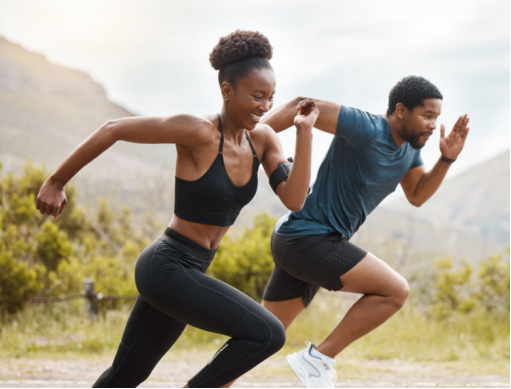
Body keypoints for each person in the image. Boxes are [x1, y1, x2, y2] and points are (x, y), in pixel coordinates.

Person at [36, 30, 319, 388]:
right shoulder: (197, 132)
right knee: (268, 333)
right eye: (257, 96)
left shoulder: (261, 139)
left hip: (191, 269)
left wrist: (304, 133)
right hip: (166, 265)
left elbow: (294, 199)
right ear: (227, 91)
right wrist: (57, 181)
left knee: (126, 376)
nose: (264, 106)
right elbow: (113, 129)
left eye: (271, 98)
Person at [258, 76, 470, 388]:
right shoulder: (366, 127)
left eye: (436, 118)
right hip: (309, 238)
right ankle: (317, 358)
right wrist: (246, 141)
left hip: (304, 241)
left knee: (261, 337)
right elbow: (299, 105)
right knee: (395, 291)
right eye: (427, 116)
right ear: (400, 110)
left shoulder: (410, 152)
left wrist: (447, 158)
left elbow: (417, 194)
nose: (432, 125)